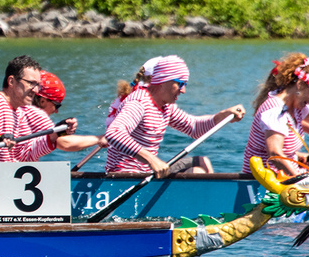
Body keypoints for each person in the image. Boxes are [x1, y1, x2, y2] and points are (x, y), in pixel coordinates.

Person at [103, 56, 244, 175]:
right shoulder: (139, 102)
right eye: (180, 84)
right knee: (197, 172)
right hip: (125, 175)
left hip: (147, 172)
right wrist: (152, 160)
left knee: (202, 162)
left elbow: (194, 129)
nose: (183, 90)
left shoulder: (165, 106)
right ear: (164, 81)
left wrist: (223, 115)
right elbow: (114, 133)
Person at [0, 59, 100, 173]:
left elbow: (26, 152)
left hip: (4, 180)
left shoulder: (19, 111)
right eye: (31, 84)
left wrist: (58, 133)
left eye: (38, 85)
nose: (36, 90)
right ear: (11, 81)